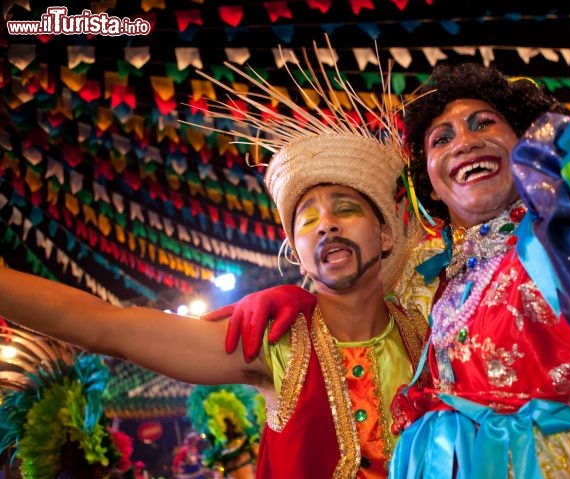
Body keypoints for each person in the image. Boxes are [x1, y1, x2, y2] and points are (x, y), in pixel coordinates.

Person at [206, 0, 570, 477]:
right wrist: (295, 297)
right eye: (442, 138)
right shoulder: (432, 279)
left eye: (483, 124)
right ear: (429, 180)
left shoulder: (563, 232)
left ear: (524, 145)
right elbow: (354, 305)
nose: (465, 141)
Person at [0, 47, 426, 479]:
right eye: (308, 219)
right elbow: (103, 325)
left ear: (386, 233)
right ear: (297, 254)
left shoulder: (431, 338)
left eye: (345, 209)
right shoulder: (275, 343)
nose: (326, 225)